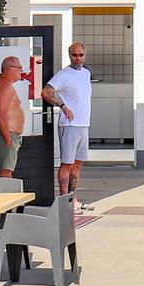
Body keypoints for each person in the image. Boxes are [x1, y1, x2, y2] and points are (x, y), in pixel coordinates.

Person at [42, 43, 93, 209]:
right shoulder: (64, 74)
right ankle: (64, 203)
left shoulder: (86, 73)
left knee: (78, 163)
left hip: (83, 124)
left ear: (85, 55)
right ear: (69, 56)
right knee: (67, 163)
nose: (77, 58)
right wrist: (63, 106)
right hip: (69, 125)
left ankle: (73, 200)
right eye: (74, 55)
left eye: (80, 55)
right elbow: (46, 92)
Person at [0, 55, 27, 177]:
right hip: (6, 133)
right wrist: (8, 139)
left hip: (2, 132)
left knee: (3, 171)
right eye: (19, 67)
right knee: (6, 173)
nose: (21, 70)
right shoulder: (5, 87)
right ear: (9, 68)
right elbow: (0, 116)